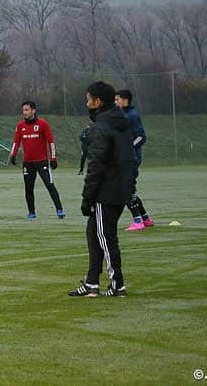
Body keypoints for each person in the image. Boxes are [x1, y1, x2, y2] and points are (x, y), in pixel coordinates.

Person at [68, 81, 134, 298]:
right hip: (120, 190)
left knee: (105, 237)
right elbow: (131, 160)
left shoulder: (101, 128)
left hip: (106, 192)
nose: (86, 103)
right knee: (94, 234)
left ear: (98, 102)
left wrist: (87, 199)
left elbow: (96, 166)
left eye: (88, 100)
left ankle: (117, 284)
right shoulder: (121, 124)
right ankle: (92, 282)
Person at [9, 101, 65, 219]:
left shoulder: (42, 124)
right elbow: (16, 142)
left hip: (42, 162)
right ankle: (31, 212)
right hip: (28, 163)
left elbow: (51, 142)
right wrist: (12, 155)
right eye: (23, 110)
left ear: (33, 110)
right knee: (28, 188)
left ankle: (59, 209)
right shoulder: (20, 126)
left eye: (27, 110)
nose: (25, 112)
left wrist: (53, 158)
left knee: (50, 185)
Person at [115, 89, 154, 231]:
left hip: (131, 159)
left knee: (125, 189)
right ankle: (145, 219)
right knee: (129, 189)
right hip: (124, 159)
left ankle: (138, 222)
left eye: (117, 99)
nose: (116, 102)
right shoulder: (123, 115)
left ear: (125, 100)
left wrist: (128, 148)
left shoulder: (132, 115)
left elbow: (141, 136)